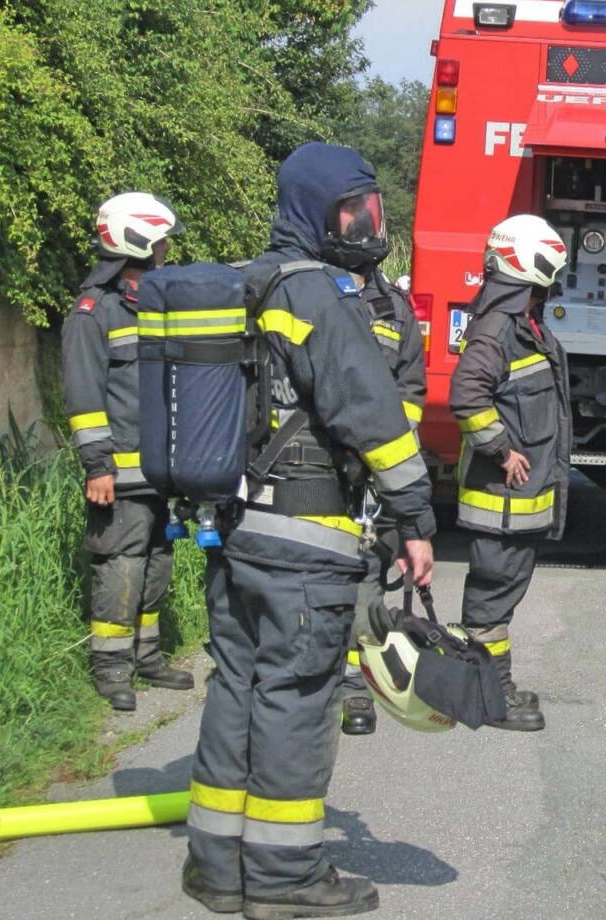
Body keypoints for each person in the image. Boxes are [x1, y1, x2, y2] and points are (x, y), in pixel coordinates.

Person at [183, 143, 436, 919]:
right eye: (350, 208)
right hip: (308, 537)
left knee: (238, 684)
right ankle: (287, 877)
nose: (365, 222)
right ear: (313, 211)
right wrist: (416, 516)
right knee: (297, 696)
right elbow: (373, 414)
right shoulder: (320, 296)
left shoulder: (248, 281)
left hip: (237, 529)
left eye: (370, 207)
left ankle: (217, 867)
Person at [63, 192, 194, 712]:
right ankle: (111, 667)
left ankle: (146, 655)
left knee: (157, 562)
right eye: (159, 240)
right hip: (116, 472)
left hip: (161, 470)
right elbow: (84, 395)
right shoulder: (94, 312)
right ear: (136, 241)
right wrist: (98, 466)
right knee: (122, 565)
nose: (165, 250)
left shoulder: (155, 303)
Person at [449, 214, 571, 732]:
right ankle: (488, 695)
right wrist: (501, 449)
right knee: (493, 595)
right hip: (501, 500)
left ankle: (492, 686)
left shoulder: (520, 321)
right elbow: (466, 394)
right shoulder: (500, 328)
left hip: (514, 503)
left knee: (501, 594)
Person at [339, 255, 427, 737]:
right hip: (314, 467)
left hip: (372, 474)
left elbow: (411, 389)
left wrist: (392, 450)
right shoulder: (312, 294)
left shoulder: (394, 309)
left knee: (367, 572)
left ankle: (356, 684)